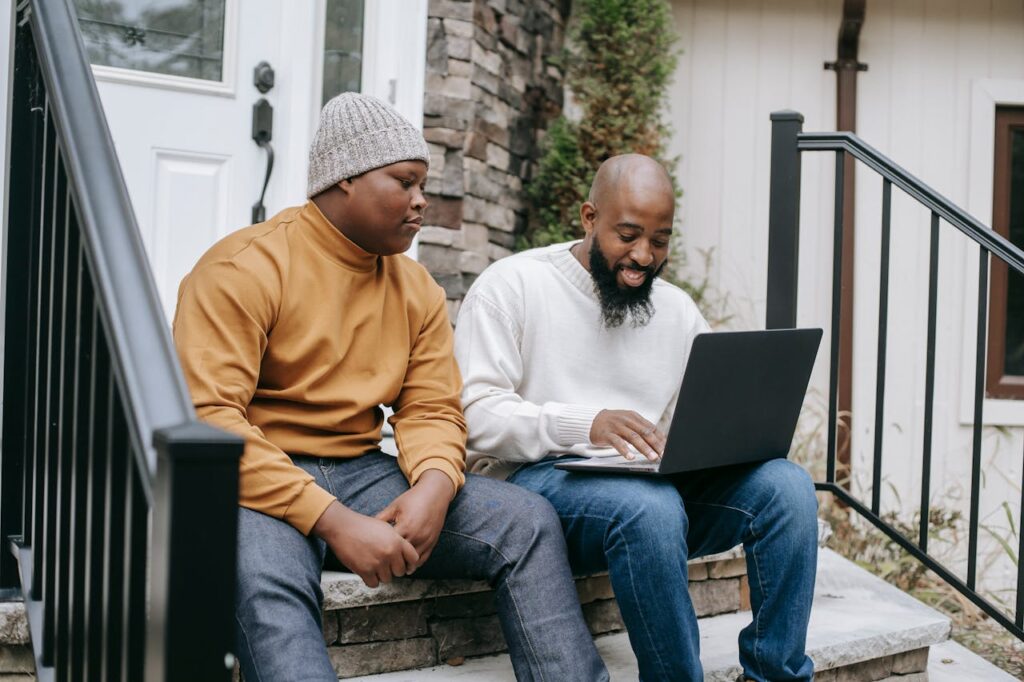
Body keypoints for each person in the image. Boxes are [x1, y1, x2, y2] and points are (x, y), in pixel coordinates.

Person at [173, 92, 608, 682]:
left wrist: (433, 483)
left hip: (361, 468)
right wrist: (332, 521)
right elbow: (211, 419)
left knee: (526, 521)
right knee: (266, 587)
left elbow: (431, 406)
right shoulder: (242, 268)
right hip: (260, 478)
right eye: (405, 181)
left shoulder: (416, 288)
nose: (421, 200)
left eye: (423, 183)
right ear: (345, 179)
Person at [454, 153, 819, 682]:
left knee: (786, 488)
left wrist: (717, 442)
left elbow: (702, 414)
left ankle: (776, 675)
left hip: (645, 486)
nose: (643, 256)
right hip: (537, 483)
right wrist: (586, 423)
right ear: (588, 218)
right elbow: (475, 414)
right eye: (627, 235)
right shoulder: (513, 285)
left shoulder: (676, 310)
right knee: (647, 508)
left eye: (660, 240)